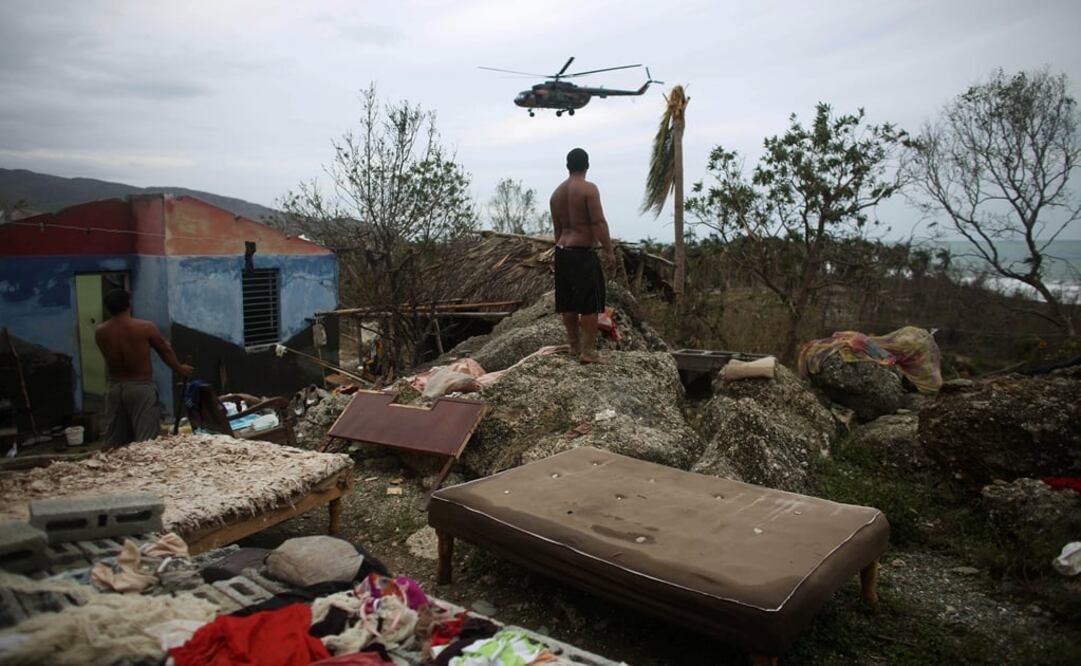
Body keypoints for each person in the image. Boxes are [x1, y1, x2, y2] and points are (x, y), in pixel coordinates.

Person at [94, 289, 193, 445]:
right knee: (146, 441)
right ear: (128, 305)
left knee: (115, 442)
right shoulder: (145, 327)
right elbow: (164, 349)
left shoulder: (100, 332)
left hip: (114, 388)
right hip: (140, 387)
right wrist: (180, 369)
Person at [550, 147, 616, 363]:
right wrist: (608, 250)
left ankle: (574, 346)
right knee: (589, 304)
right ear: (587, 165)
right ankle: (588, 351)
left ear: (567, 166)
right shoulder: (589, 189)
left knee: (567, 303)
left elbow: (557, 231)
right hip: (581, 254)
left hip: (561, 252)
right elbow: (598, 222)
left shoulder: (556, 194)